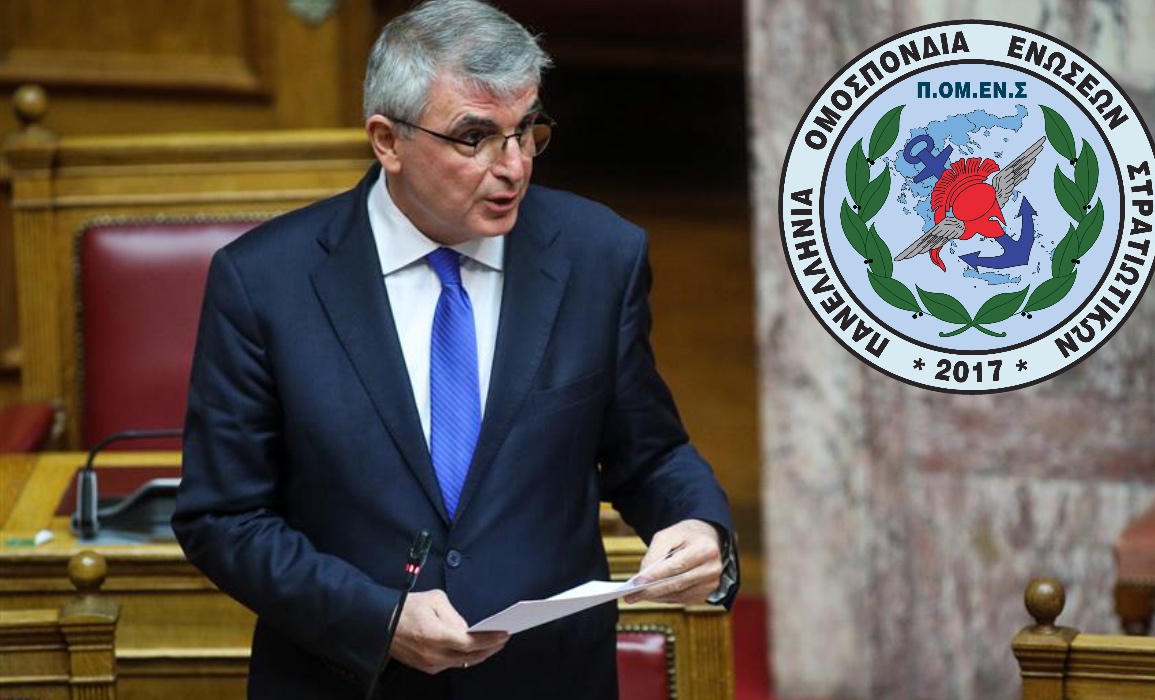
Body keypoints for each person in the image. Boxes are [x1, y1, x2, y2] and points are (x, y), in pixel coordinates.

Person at [171, 1, 738, 698]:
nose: (514, 166)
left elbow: (648, 452)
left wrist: (697, 522)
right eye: (476, 138)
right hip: (349, 681)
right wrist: (378, 619)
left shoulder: (599, 256)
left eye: (526, 130)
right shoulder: (265, 281)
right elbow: (223, 517)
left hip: (544, 679)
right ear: (388, 140)